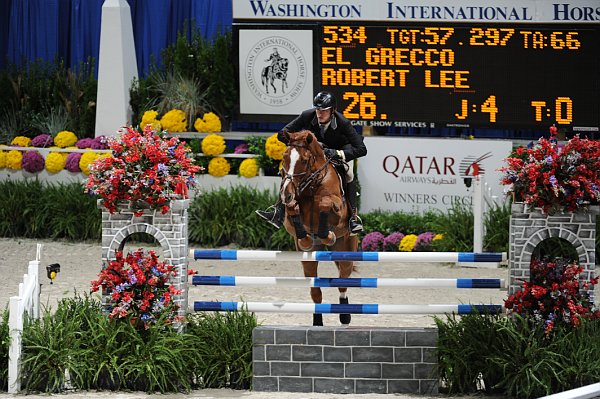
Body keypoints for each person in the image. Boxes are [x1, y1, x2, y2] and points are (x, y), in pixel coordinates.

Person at [255, 91, 367, 235]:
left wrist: (338, 153)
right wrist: (298, 140)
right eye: (318, 109)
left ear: (332, 110)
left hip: (339, 150)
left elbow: (361, 149)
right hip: (315, 153)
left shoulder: (342, 122)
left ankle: (353, 218)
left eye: (324, 111)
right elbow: (282, 134)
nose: (319, 114)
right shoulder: (307, 115)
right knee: (293, 170)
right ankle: (279, 211)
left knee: (349, 173)